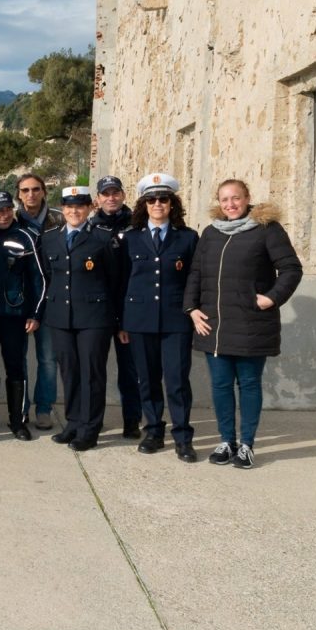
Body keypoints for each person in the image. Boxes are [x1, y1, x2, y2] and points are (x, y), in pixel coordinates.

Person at [185, 178, 303, 469]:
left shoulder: (267, 230)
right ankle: (226, 441)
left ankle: (247, 445)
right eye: (224, 199)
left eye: (235, 198)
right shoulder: (211, 233)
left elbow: (291, 268)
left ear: (247, 197)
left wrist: (272, 298)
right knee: (221, 386)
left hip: (252, 324)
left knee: (249, 384)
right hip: (213, 326)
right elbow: (196, 274)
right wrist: (191, 309)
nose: (230, 204)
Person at [118, 174, 199, 461]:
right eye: (151, 199)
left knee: (177, 381)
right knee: (147, 380)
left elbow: (194, 278)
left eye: (163, 199)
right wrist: (122, 323)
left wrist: (192, 311)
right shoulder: (130, 239)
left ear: (172, 203)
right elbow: (122, 281)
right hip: (139, 320)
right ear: (144, 204)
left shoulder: (187, 237)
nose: (157, 204)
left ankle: (182, 437)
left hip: (176, 320)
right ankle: (153, 431)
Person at [38, 186, 122, 452]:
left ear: (89, 208)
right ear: (62, 209)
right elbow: (48, 276)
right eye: (69, 206)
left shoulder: (102, 238)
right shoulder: (50, 238)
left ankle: (89, 429)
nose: (74, 211)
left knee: (91, 374)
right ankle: (73, 423)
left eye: (80, 206)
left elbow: (115, 281)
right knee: (69, 371)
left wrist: (118, 320)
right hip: (61, 316)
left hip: (94, 318)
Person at [0, 190, 45, 441]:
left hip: (15, 315)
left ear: (12, 210)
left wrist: (35, 313)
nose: (3, 214)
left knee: (16, 367)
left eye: (7, 209)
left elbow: (39, 279)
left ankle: (17, 421)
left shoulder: (27, 236)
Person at [13, 173, 64, 430]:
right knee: (18, 358)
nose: (30, 194)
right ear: (19, 195)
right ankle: (21, 409)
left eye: (35, 189)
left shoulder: (60, 219)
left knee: (47, 359)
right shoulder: (10, 221)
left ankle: (44, 408)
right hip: (20, 301)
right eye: (25, 190)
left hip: (51, 298)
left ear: (44, 191)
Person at [94, 175, 143, 439]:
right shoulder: (91, 227)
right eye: (106, 193)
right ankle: (94, 419)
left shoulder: (138, 224)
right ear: (98, 199)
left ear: (123, 195)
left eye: (115, 193)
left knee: (130, 371)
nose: (111, 198)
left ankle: (132, 420)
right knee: (95, 369)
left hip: (130, 309)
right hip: (99, 310)